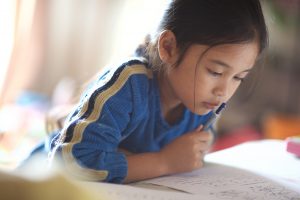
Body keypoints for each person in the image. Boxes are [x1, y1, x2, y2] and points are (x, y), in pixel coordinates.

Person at [49, 0, 268, 184]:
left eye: (238, 77)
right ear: (169, 47)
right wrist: (163, 162)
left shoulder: (203, 102)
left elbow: (196, 152)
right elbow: (71, 163)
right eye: (215, 71)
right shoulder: (130, 84)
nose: (224, 91)